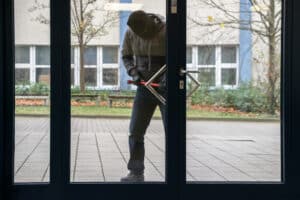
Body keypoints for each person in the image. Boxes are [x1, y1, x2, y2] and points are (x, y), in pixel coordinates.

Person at [120, 10, 166, 182]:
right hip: (144, 89)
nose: (141, 36)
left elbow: (177, 58)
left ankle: (174, 174)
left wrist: (166, 77)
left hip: (165, 90)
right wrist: (133, 72)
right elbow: (126, 56)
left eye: (144, 33)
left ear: (150, 24)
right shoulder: (131, 32)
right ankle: (136, 172)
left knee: (172, 132)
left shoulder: (166, 31)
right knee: (135, 132)